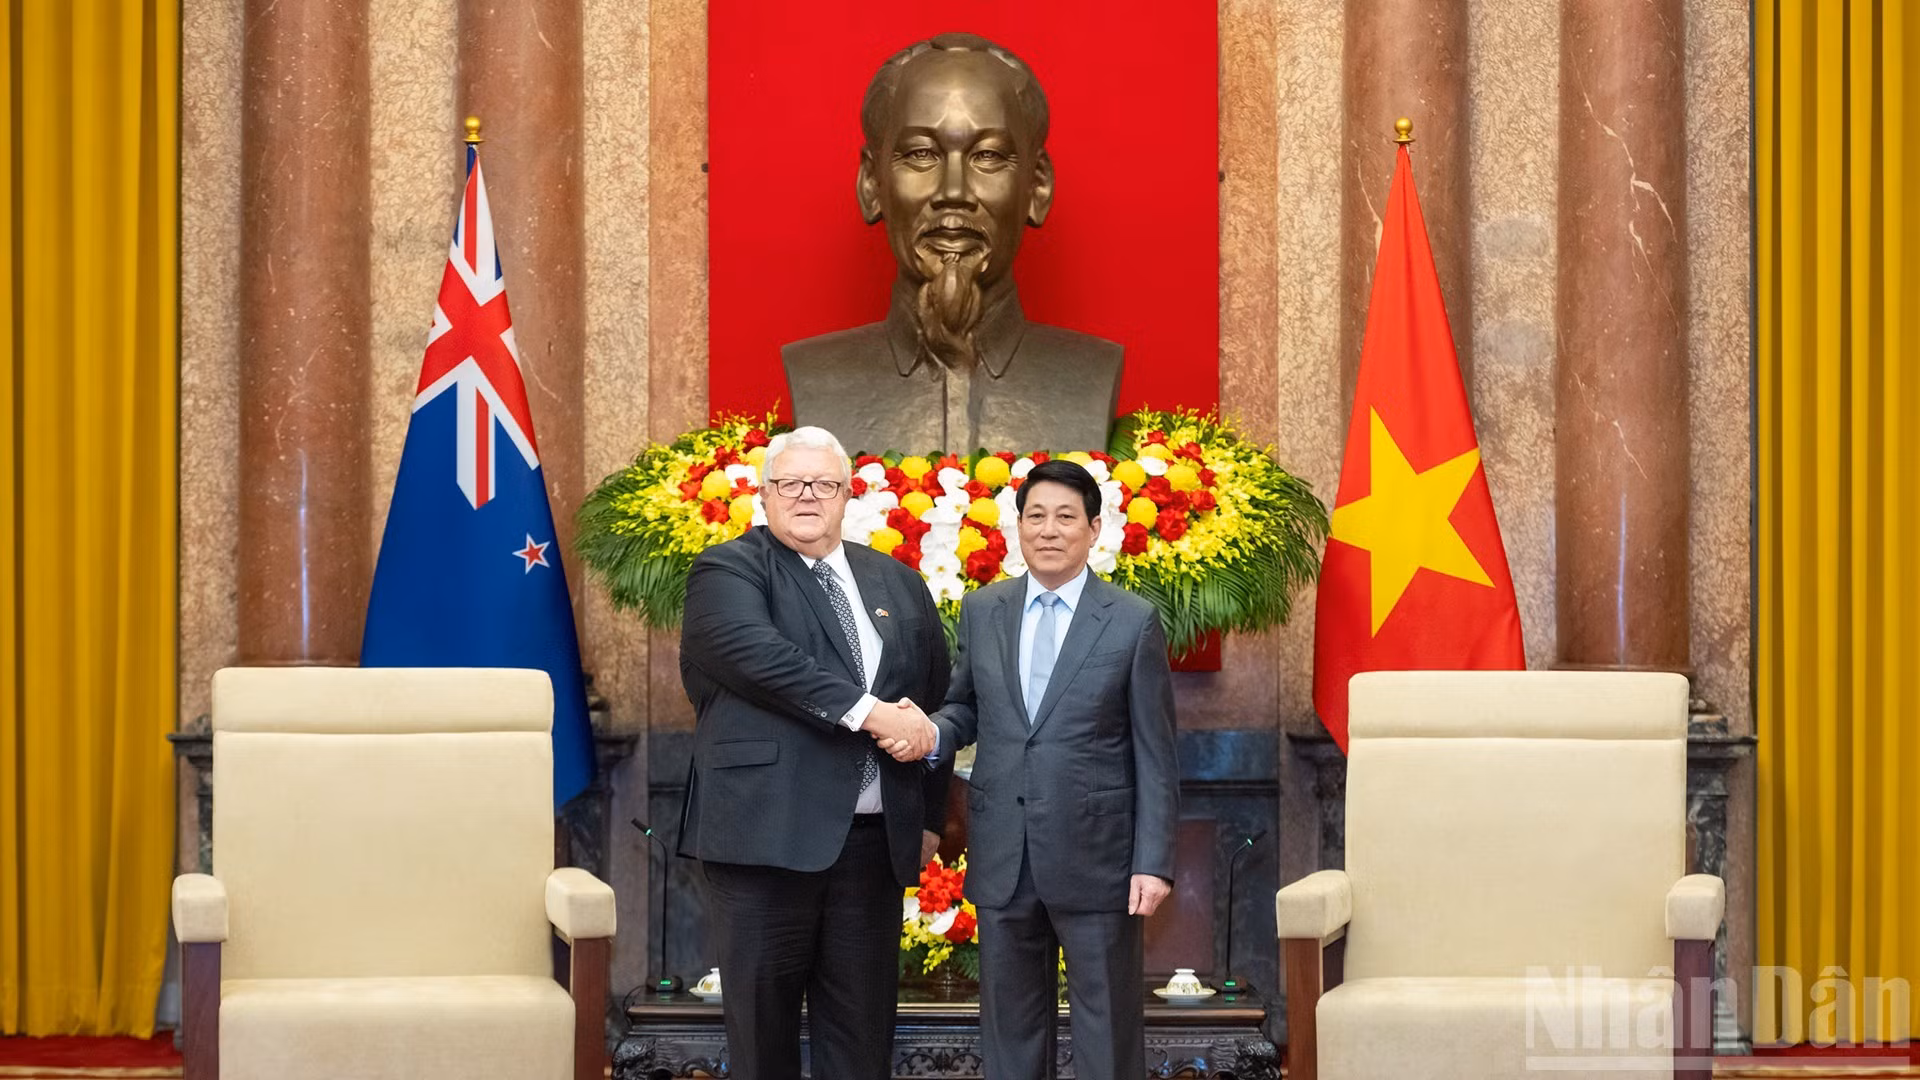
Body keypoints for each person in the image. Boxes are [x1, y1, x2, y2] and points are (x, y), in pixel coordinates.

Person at [676, 425, 950, 1080]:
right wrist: (871, 713)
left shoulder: (897, 581)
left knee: (861, 1048)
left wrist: (931, 819)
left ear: (847, 495)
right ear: (764, 494)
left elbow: (930, 698)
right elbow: (766, 662)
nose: (807, 496)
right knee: (762, 1045)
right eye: (791, 483)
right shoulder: (729, 569)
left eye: (823, 484)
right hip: (762, 842)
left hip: (870, 848)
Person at [902, 458, 1178, 1079]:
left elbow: (1156, 752)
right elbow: (964, 708)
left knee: (1106, 1030)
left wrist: (1153, 860)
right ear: (1017, 529)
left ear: (1094, 529)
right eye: (1036, 517)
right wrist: (930, 733)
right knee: (1010, 1030)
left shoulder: (1131, 621)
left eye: (1065, 517)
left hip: (1100, 856)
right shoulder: (984, 609)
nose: (1049, 530)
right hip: (1004, 854)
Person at [782, 32, 1122, 456]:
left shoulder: (1092, 372)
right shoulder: (815, 374)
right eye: (922, 154)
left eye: (989, 156)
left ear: (1037, 187)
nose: (954, 191)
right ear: (872, 184)